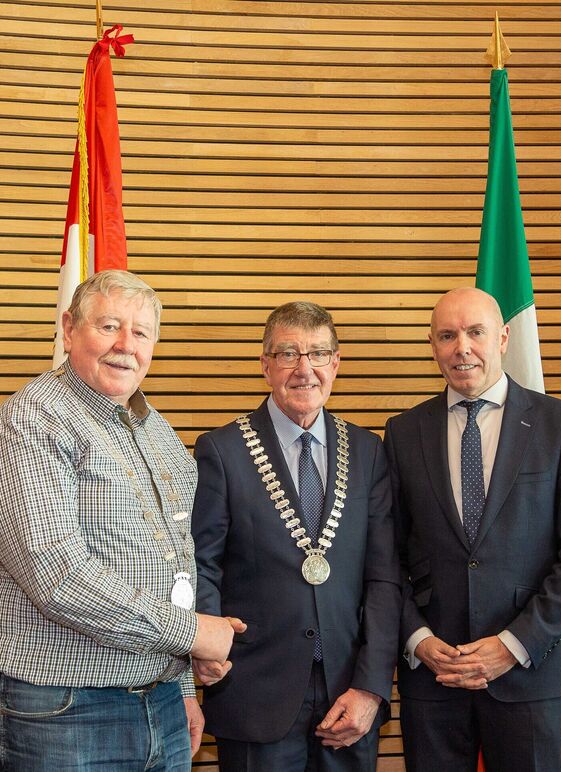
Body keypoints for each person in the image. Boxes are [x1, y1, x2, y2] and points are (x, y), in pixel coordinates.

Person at [0, 270, 242, 772]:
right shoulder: (30, 421)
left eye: (141, 332)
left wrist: (180, 684)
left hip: (159, 703)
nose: (125, 345)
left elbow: (176, 564)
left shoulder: (155, 428)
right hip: (64, 708)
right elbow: (57, 576)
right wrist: (191, 635)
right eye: (109, 325)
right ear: (69, 329)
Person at [384, 287, 561, 772]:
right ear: (432, 344)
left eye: (475, 332)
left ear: (503, 337)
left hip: (532, 678)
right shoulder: (402, 433)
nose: (462, 347)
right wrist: (417, 638)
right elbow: (386, 558)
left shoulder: (560, 423)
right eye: (447, 335)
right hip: (434, 680)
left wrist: (512, 645)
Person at [191, 301, 402, 771]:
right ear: (265, 366)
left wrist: (370, 687)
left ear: (336, 363)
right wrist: (209, 649)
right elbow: (201, 564)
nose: (304, 369)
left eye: (318, 354)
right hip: (252, 691)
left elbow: (385, 579)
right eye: (288, 353)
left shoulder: (368, 452)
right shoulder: (221, 450)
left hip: (348, 697)